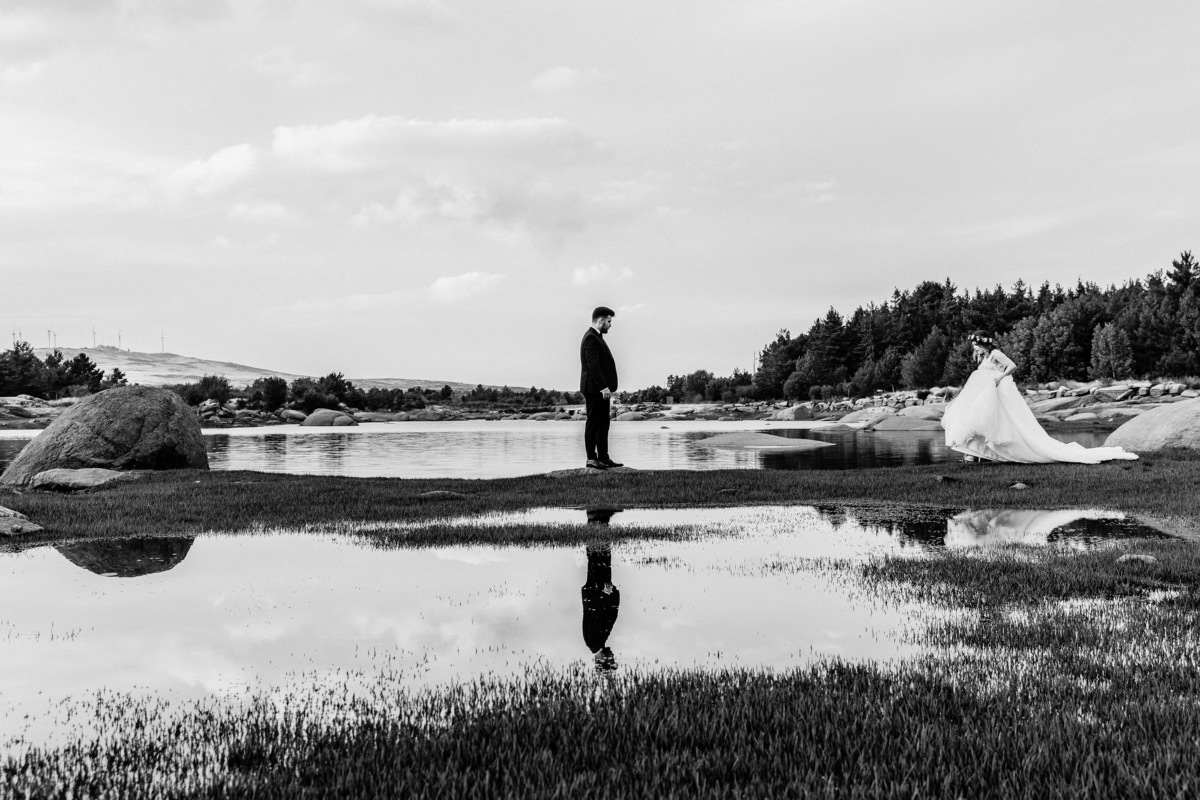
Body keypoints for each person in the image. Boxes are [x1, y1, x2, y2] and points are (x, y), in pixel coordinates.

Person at [941, 331, 1138, 464]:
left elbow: (1012, 366)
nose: (974, 348)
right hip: (985, 394)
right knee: (977, 420)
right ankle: (976, 454)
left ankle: (987, 454)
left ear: (983, 343)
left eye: (975, 344)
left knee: (992, 422)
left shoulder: (995, 354)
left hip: (995, 391)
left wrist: (999, 378)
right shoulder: (983, 358)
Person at [579, 306, 622, 469]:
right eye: (609, 321)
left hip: (601, 390)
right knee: (594, 423)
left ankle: (603, 457)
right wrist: (603, 387)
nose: (610, 325)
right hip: (594, 388)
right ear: (601, 320)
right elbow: (593, 365)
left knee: (604, 423)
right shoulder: (591, 338)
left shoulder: (597, 337)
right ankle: (591, 458)